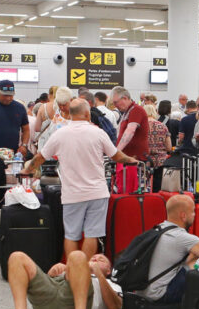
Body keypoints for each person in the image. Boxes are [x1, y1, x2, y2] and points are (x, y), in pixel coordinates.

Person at [25, 98, 138, 258]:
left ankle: (73, 269)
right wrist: (131, 160)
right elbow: (116, 156)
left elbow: (40, 157)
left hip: (72, 194)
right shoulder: (98, 132)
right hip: (97, 193)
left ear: (70, 114)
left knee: (71, 235)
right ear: (87, 113)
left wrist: (27, 169)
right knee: (92, 234)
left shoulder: (60, 134)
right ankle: (86, 269)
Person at [133, 195, 199, 304]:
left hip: (146, 290)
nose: (195, 214)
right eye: (193, 211)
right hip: (161, 294)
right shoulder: (181, 237)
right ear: (183, 216)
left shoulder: (160, 228)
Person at [0, 250, 122, 309]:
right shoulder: (78, 269)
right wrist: (52, 274)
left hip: (75, 304)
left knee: (77, 255)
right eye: (93, 258)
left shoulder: (110, 283)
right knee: (16, 257)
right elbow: (49, 285)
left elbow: (115, 307)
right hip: (50, 302)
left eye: (101, 260)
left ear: (109, 270)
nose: (95, 259)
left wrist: (98, 274)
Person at [111, 86, 149, 162]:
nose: (115, 105)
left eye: (116, 102)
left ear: (125, 98)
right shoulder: (126, 112)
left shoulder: (136, 110)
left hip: (135, 160)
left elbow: (130, 131)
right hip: (127, 159)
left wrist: (117, 152)